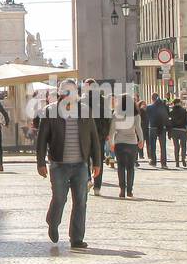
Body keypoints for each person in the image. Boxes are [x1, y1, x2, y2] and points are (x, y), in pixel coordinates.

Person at [36, 82, 102, 250]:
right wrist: (41, 163)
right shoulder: (50, 111)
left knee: (81, 201)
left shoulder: (85, 111)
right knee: (59, 198)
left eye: (71, 92)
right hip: (58, 164)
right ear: (60, 94)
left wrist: (97, 162)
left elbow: (94, 138)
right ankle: (53, 222)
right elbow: (42, 139)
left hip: (80, 165)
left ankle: (77, 238)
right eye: (65, 92)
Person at [108, 98, 144, 198]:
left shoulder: (116, 114)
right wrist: (141, 140)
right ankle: (129, 190)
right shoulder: (136, 115)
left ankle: (122, 189)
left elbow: (112, 131)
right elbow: (138, 128)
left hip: (119, 143)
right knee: (130, 167)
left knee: (121, 166)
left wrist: (111, 143)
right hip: (132, 143)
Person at [144, 94, 170, 168]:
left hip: (152, 127)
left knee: (152, 145)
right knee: (163, 146)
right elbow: (167, 117)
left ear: (152, 99)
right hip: (162, 128)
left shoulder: (149, 107)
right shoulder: (164, 107)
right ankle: (164, 163)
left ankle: (153, 161)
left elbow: (147, 117)